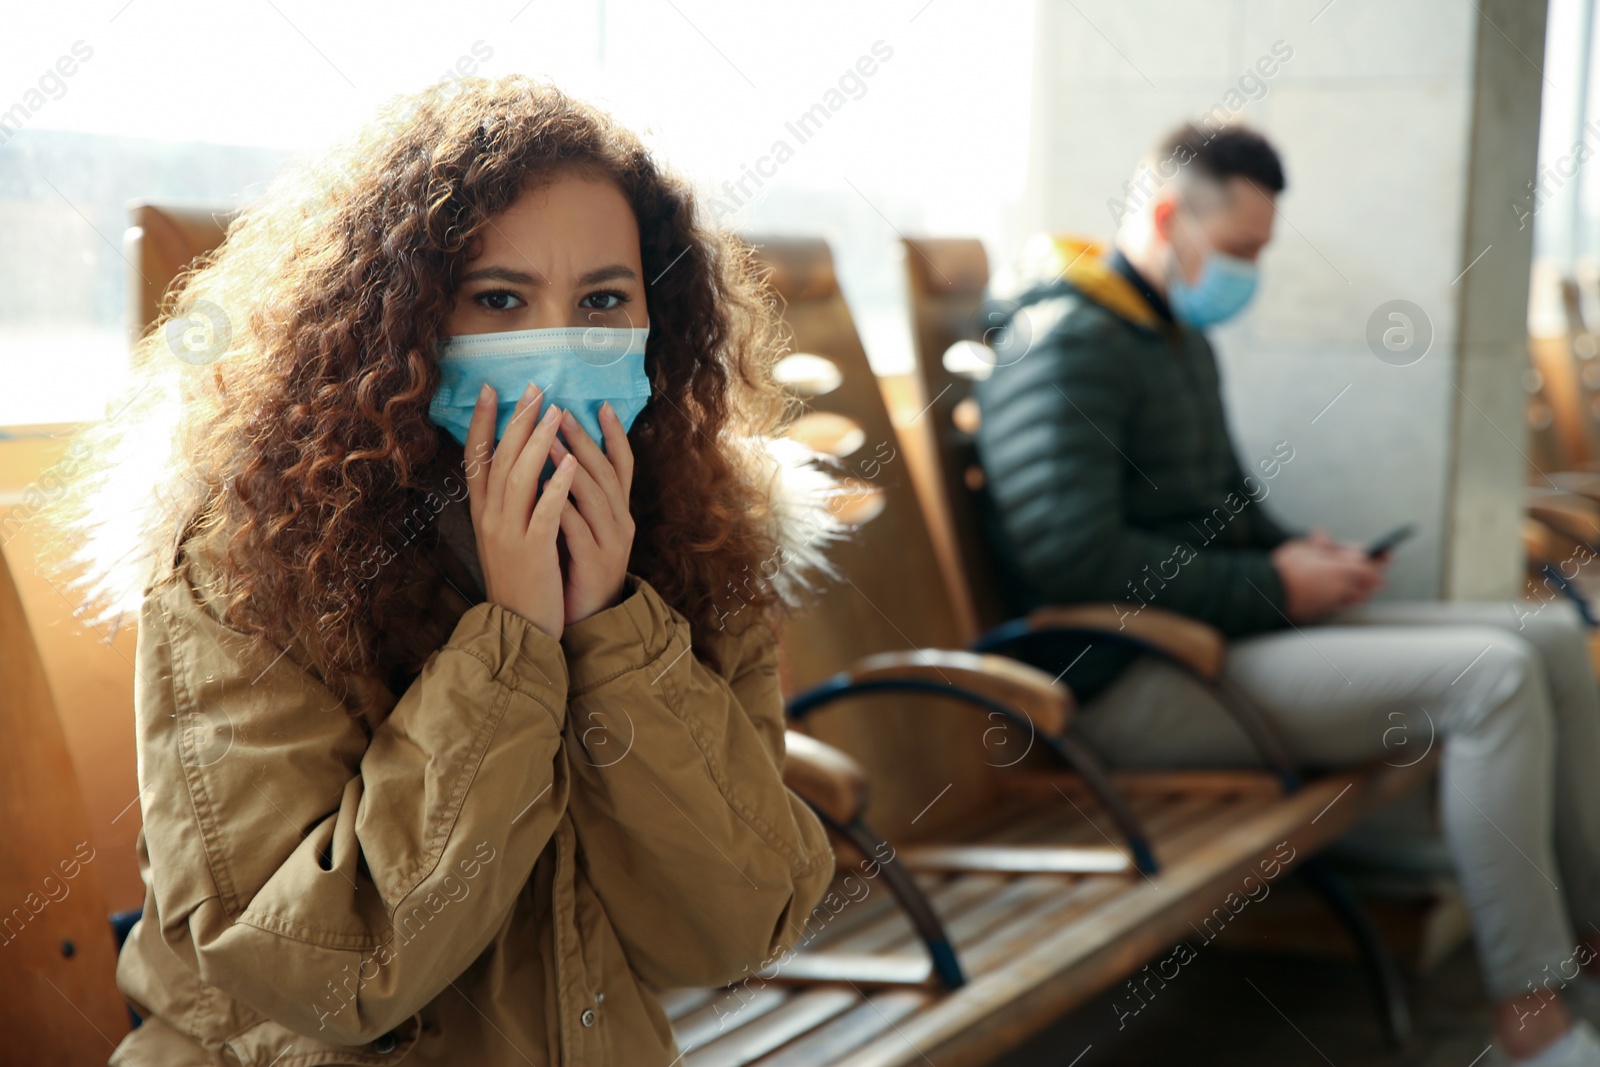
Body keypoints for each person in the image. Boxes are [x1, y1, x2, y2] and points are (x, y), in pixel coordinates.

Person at [52, 76, 842, 1066]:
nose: (554, 348)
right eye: (499, 299)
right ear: (406, 318)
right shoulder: (252, 557)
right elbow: (319, 968)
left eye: (602, 299)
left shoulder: (691, 533)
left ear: (658, 319)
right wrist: (511, 646)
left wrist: (613, 635)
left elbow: (739, 924)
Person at [974, 121, 1600, 1066]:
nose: (1248, 276)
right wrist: (1272, 582)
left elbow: (1226, 509)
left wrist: (1303, 554)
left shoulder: (1170, 334)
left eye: (1260, 254)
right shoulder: (1064, 342)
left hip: (1213, 641)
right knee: (1495, 677)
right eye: (1237, 253)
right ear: (1164, 216)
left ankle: (1588, 943)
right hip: (1119, 683)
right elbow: (1074, 560)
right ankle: (1532, 1022)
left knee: (1547, 634)